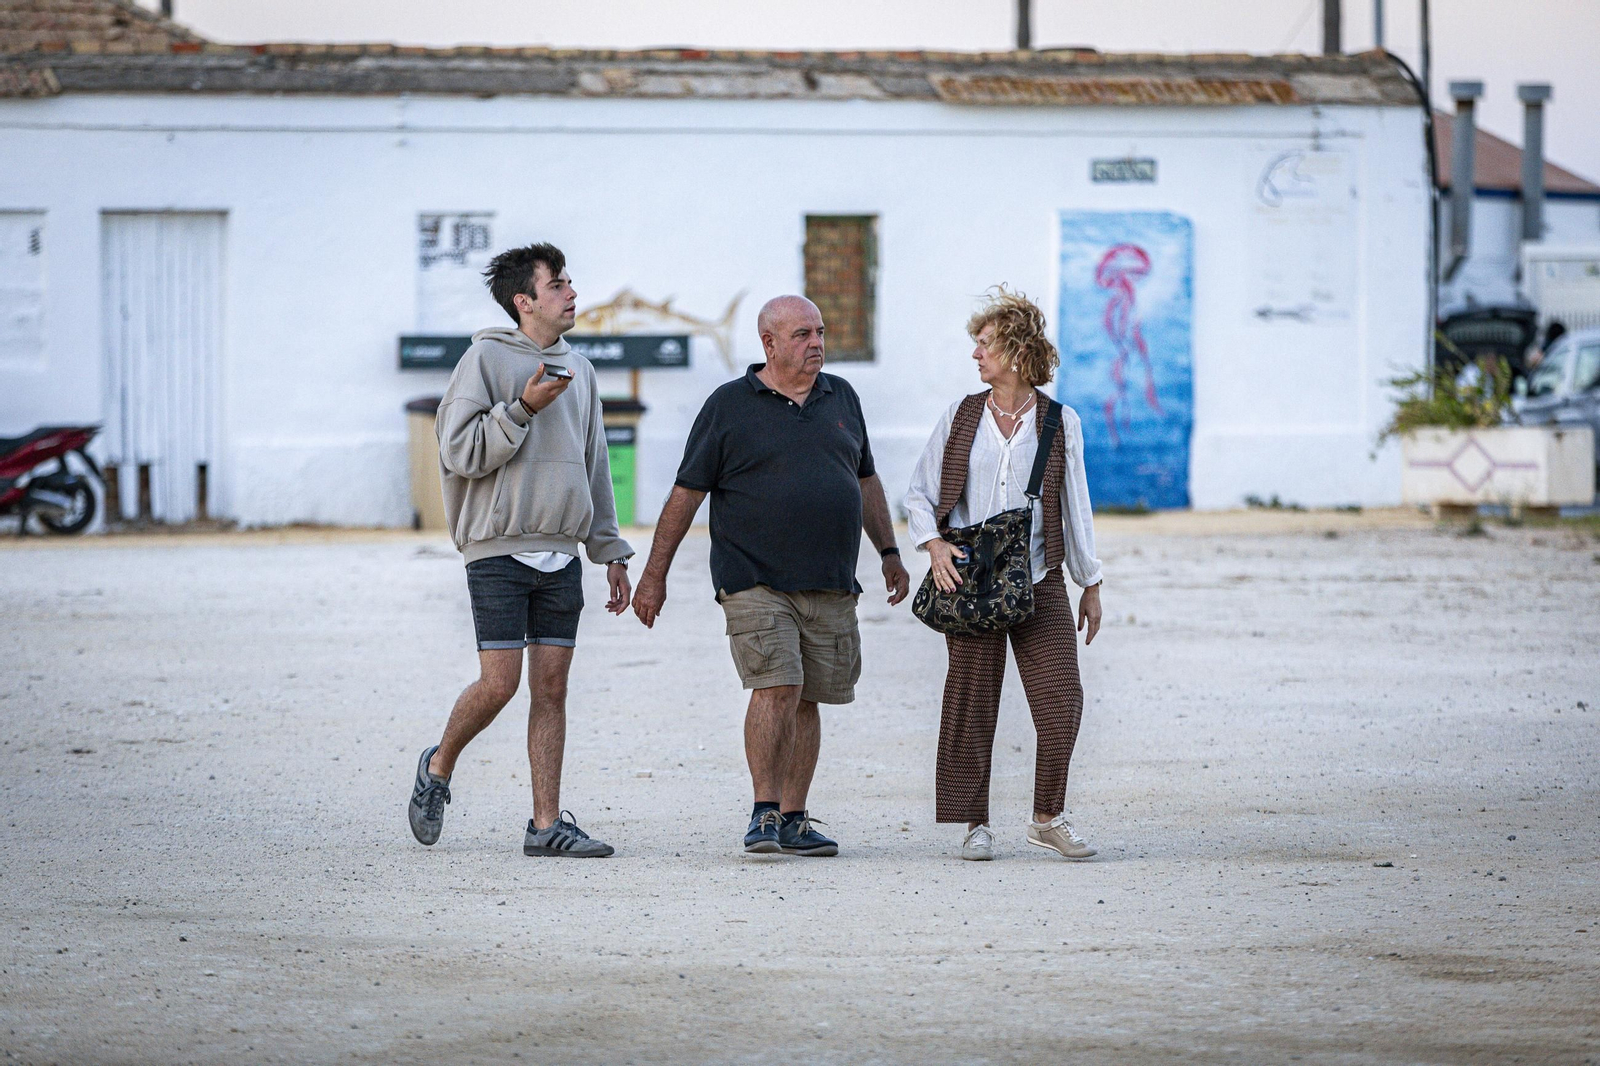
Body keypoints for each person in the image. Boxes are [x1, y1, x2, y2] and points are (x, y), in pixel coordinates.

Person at [632, 295, 910, 856]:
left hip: (830, 580)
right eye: (803, 333)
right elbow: (687, 492)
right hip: (753, 577)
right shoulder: (729, 405)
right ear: (770, 343)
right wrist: (653, 574)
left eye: (821, 332)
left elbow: (866, 480)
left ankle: (794, 816)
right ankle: (763, 811)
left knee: (808, 697)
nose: (817, 343)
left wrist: (889, 550)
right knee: (777, 684)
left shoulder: (842, 398)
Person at [407, 242, 634, 858]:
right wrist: (522, 409)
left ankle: (544, 826)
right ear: (524, 300)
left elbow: (595, 465)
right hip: (497, 551)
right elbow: (459, 453)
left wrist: (609, 551)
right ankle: (439, 766)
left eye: (569, 282)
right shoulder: (483, 359)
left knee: (552, 690)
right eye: (558, 285)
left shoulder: (581, 370)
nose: (572, 293)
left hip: (560, 554)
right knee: (500, 684)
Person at [904, 287, 1104, 862]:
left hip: (1040, 577)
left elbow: (1077, 504)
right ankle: (975, 824)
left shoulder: (1061, 422)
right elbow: (918, 493)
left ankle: (1048, 817)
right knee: (971, 701)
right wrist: (935, 545)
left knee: (1062, 699)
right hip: (969, 579)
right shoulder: (961, 415)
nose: (975, 355)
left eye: (985, 344)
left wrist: (1089, 581)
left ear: (1016, 351)